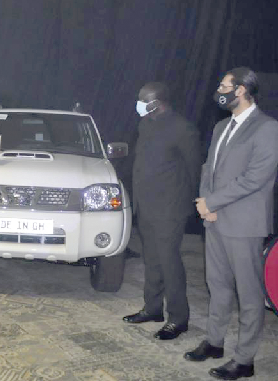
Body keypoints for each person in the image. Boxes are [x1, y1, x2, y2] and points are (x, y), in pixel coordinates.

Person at [184, 67, 278, 380]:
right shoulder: (222, 125)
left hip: (244, 224)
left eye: (224, 85)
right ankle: (214, 342)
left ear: (240, 89)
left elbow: (255, 178)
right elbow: (208, 168)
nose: (219, 89)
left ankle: (245, 360)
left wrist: (213, 202)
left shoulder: (267, 128)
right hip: (216, 221)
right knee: (218, 285)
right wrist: (205, 204)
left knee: (249, 294)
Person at [123, 82, 200, 341]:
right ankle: (152, 309)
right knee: (152, 261)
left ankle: (178, 319)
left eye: (144, 101)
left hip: (170, 210)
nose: (139, 105)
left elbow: (193, 170)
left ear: (157, 103)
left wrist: (187, 204)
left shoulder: (182, 128)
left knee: (169, 263)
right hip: (146, 206)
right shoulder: (146, 124)